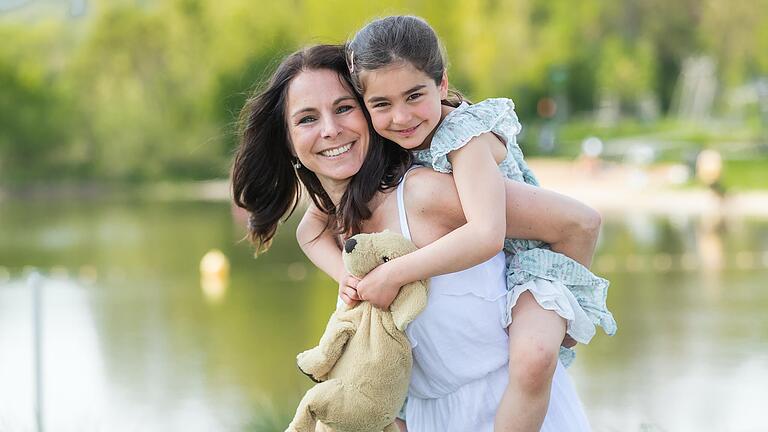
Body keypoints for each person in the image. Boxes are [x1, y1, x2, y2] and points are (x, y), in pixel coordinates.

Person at [232, 44, 594, 431]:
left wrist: (559, 324)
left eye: (343, 108)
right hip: (429, 419)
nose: (329, 129)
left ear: (369, 114)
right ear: (287, 140)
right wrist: (346, 279)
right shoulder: (333, 227)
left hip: (516, 411)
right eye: (306, 119)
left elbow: (579, 224)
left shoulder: (426, 191)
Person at [335, 15, 614, 431]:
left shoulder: (462, 136)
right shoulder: (395, 151)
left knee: (535, 358)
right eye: (382, 105)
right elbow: (314, 228)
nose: (401, 116)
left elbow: (487, 235)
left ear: (442, 84)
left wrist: (393, 274)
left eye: (415, 96)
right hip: (479, 314)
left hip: (532, 267)